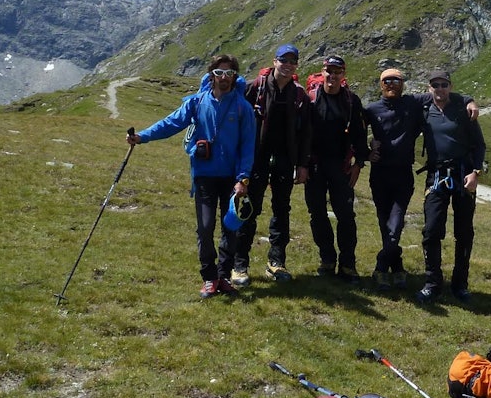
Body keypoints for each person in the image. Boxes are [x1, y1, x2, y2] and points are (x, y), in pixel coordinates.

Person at [127, 54, 255, 298]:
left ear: (235, 76)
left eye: (229, 73)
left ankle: (223, 276)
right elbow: (171, 123)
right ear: (211, 76)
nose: (224, 78)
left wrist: (243, 178)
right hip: (205, 176)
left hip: (232, 180)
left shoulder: (243, 108)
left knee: (230, 229)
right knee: (205, 228)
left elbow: (248, 146)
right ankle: (209, 277)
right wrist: (142, 136)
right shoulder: (197, 102)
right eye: (219, 73)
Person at [364, 68, 477, 292]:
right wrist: (367, 150)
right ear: (380, 84)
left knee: (394, 226)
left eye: (396, 80)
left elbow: (444, 94)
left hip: (403, 175)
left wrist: (470, 101)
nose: (392, 84)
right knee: (384, 223)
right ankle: (396, 268)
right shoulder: (371, 109)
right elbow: (356, 131)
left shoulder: (413, 102)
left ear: (403, 83)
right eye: (387, 81)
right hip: (379, 175)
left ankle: (380, 266)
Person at [222, 43, 312, 285]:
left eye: (292, 61)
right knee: (249, 209)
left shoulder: (299, 95)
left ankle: (276, 263)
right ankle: (239, 265)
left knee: (282, 211)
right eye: (284, 60)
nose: (288, 65)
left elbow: (305, 133)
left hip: (285, 159)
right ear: (275, 61)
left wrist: (302, 164)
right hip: (255, 158)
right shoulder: (255, 87)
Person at [416, 68, 486, 305]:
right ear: (429, 88)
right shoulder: (424, 109)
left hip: (463, 175)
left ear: (450, 86)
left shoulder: (463, 110)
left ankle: (460, 285)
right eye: (435, 85)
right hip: (436, 175)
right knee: (431, 230)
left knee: (464, 232)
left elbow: (479, 144)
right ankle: (433, 283)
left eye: (444, 85)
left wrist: (475, 172)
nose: (440, 89)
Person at [304, 55, 371, 283]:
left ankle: (347, 264)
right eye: (329, 71)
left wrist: (359, 164)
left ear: (343, 75)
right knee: (317, 214)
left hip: (341, 167)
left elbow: (360, 136)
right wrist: (301, 164)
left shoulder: (352, 101)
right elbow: (299, 132)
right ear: (322, 72)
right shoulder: (310, 98)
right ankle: (327, 259)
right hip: (314, 166)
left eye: (337, 72)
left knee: (346, 215)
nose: (332, 76)